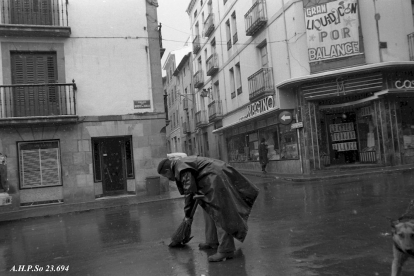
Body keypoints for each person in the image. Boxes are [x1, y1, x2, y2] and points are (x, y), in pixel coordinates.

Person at [157, 156, 259, 262]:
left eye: (166, 176)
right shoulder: (179, 165)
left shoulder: (181, 168)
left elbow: (189, 192)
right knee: (209, 208)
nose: (169, 179)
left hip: (216, 178)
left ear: (168, 170)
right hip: (213, 177)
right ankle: (212, 241)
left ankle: (226, 250)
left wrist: (188, 216)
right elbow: (191, 190)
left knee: (220, 213)